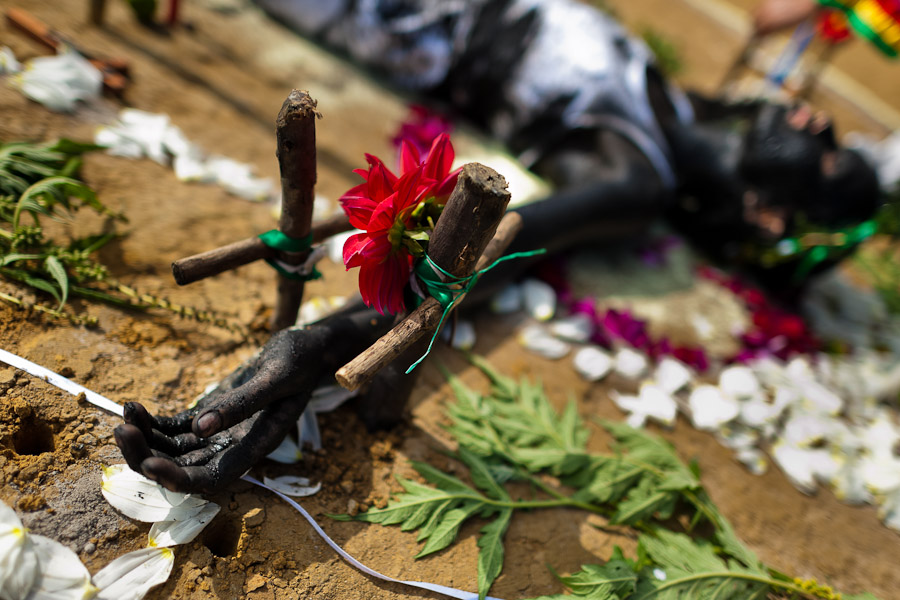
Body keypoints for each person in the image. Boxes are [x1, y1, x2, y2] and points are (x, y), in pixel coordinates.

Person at [115, 0, 881, 493]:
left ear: (770, 216)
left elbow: (481, 260)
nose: (820, 124)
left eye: (829, 159)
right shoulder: (680, 103)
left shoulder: (633, 173)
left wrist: (320, 344)